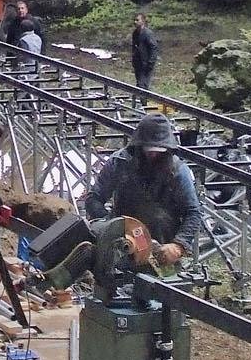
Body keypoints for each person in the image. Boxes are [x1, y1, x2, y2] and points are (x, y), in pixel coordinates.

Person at [80, 113, 204, 266]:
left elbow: (193, 212)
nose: (153, 155)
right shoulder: (119, 163)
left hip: (160, 240)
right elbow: (94, 199)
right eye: (149, 150)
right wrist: (112, 224)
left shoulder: (178, 170)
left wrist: (178, 245)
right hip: (122, 235)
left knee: (156, 216)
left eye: (158, 151)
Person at [130, 12, 159, 92]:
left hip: (146, 64)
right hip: (138, 64)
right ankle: (141, 102)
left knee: (143, 85)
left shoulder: (147, 33)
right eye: (134, 20)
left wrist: (151, 62)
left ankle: (144, 103)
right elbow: (134, 47)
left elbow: (154, 47)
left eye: (137, 20)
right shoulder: (135, 33)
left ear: (142, 21)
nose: (135, 22)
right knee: (139, 85)